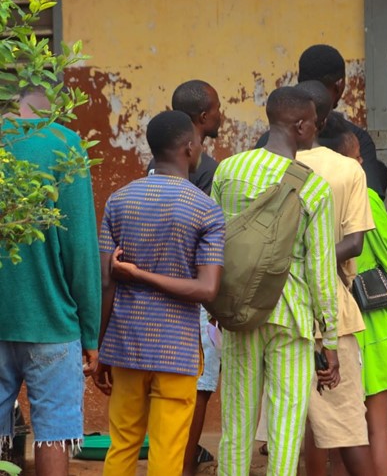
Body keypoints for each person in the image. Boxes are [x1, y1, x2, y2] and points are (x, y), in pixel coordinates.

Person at [213, 86, 340, 476]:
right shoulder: (314, 187)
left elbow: (215, 245)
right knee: (286, 426)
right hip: (292, 318)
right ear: (300, 125)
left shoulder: (228, 170)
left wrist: (216, 303)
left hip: (240, 312)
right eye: (314, 124)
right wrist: (330, 339)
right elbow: (321, 271)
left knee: (236, 422)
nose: (314, 131)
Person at [93, 110, 225, 475]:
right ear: (188, 148)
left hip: (125, 345)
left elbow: (107, 280)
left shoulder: (119, 201)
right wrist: (145, 276)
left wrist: (101, 346)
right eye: (197, 142)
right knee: (168, 453)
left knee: (122, 446)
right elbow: (207, 288)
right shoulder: (206, 209)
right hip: (177, 350)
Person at [0, 88, 101, 475]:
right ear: (51, 113)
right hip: (51, 322)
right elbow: (80, 247)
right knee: (53, 432)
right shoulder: (64, 143)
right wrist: (90, 334)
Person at [291, 84, 376, 476]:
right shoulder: (348, 170)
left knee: (298, 425)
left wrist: (294, 261)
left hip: (281, 304)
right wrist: (317, 259)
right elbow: (355, 243)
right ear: (326, 118)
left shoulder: (272, 165)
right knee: (345, 425)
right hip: (332, 308)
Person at [319, 112, 387, 476]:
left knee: (340, 431)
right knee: (377, 428)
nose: (362, 164)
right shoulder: (368, 198)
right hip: (374, 323)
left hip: (335, 321)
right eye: (358, 158)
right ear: (346, 161)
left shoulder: (313, 193)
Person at [148, 79, 223, 475]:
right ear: (201, 119)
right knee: (198, 386)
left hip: (152, 290)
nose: (221, 116)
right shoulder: (205, 170)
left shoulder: (154, 164)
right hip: (192, 293)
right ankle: (185, 464)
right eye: (217, 109)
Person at [255, 44, 387, 199]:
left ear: (300, 80)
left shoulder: (268, 140)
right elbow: (371, 198)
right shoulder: (356, 140)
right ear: (339, 85)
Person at [147, 80, 221, 196]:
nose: (219, 115)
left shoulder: (158, 161)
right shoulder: (209, 170)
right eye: (218, 109)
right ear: (204, 117)